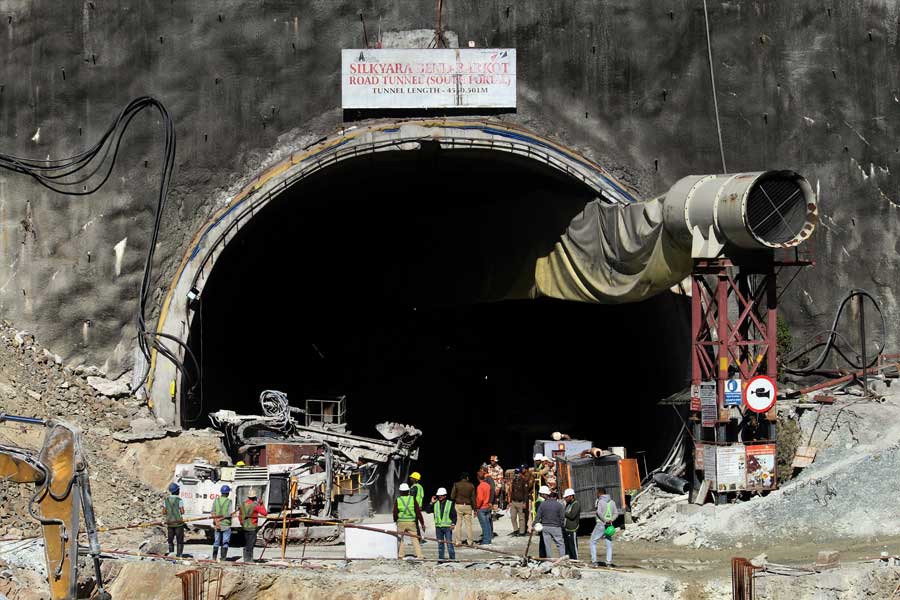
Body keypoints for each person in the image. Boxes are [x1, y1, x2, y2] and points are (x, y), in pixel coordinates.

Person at [532, 485, 566, 557]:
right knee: (560, 544)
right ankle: (562, 558)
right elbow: (562, 517)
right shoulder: (559, 505)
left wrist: (533, 525)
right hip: (556, 527)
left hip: (545, 527)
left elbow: (538, 516)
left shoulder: (542, 504)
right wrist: (561, 525)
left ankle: (549, 559)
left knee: (547, 546)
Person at [393, 483, 424, 559]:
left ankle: (401, 555)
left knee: (401, 539)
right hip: (411, 522)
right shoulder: (412, 499)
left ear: (400, 491)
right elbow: (418, 512)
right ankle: (419, 556)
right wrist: (422, 523)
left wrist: (395, 520)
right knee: (415, 539)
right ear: (408, 491)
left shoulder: (398, 500)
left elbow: (395, 512)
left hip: (401, 522)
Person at [589, 487, 619, 567]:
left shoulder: (600, 501)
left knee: (592, 542)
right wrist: (611, 520)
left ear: (600, 493)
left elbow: (599, 512)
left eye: (597, 493)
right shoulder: (612, 502)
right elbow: (616, 513)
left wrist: (604, 520)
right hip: (609, 526)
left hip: (601, 524)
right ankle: (608, 562)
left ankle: (594, 562)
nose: (596, 494)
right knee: (608, 543)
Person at [240, 488, 268, 563]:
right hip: (252, 527)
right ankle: (249, 559)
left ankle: (246, 559)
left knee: (246, 543)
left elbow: (240, 515)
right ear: (254, 497)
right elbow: (265, 513)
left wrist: (242, 523)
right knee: (251, 544)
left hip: (245, 526)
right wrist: (261, 504)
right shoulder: (255, 505)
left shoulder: (243, 504)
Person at [430, 487, 457, 560]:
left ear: (445, 496)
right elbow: (427, 510)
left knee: (449, 544)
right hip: (438, 527)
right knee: (440, 544)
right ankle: (441, 559)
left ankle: (452, 559)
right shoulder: (435, 503)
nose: (439, 496)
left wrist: (453, 523)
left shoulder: (449, 503)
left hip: (447, 527)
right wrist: (431, 502)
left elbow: (454, 515)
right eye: (439, 495)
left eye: (441, 495)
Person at [450, 472, 475, 546]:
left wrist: (457, 497)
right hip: (468, 506)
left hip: (459, 505)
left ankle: (458, 541)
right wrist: (475, 508)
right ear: (467, 477)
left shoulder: (456, 484)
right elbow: (473, 498)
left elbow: (452, 496)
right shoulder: (471, 485)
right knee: (469, 525)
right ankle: (470, 541)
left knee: (458, 524)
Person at [211, 485, 233, 562]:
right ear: (227, 493)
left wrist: (216, 521)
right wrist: (221, 519)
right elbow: (229, 514)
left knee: (216, 541)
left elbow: (212, 512)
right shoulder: (229, 502)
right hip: (226, 524)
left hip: (217, 525)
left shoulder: (216, 501)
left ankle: (214, 558)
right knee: (225, 542)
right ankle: (223, 559)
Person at [163, 482, 185, 557]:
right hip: (178, 523)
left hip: (170, 523)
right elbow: (182, 511)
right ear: (176, 491)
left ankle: (171, 555)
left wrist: (170, 512)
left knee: (170, 541)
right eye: (178, 490)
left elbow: (164, 512)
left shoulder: (166, 500)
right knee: (179, 541)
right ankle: (179, 556)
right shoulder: (179, 500)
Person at [507, 467, 529, 537]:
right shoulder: (514, 481)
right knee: (513, 517)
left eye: (517, 473)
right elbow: (512, 492)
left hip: (521, 502)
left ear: (520, 473)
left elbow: (526, 493)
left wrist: (525, 502)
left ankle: (522, 532)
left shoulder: (523, 481)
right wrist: (510, 501)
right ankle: (516, 530)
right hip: (514, 502)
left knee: (521, 518)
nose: (516, 474)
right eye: (515, 473)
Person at [474, 470, 493, 544]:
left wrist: (477, 507)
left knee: (484, 525)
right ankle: (489, 539)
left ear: (478, 478)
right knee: (487, 524)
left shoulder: (480, 487)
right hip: (487, 507)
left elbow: (480, 498)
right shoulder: (488, 485)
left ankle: (486, 540)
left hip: (482, 508)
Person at [562, 488, 581, 559]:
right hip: (566, 529)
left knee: (573, 547)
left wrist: (563, 512)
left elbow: (572, 516)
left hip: (572, 529)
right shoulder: (568, 504)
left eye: (567, 497)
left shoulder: (576, 504)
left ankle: (575, 560)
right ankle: (570, 560)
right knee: (568, 547)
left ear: (571, 496)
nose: (565, 499)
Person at [409, 472, 426, 544]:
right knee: (415, 523)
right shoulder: (420, 487)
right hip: (418, 506)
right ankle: (418, 539)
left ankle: (418, 540)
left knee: (414, 524)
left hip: (414, 506)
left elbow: (412, 498)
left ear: (415, 479)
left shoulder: (414, 487)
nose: (410, 478)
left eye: (412, 478)